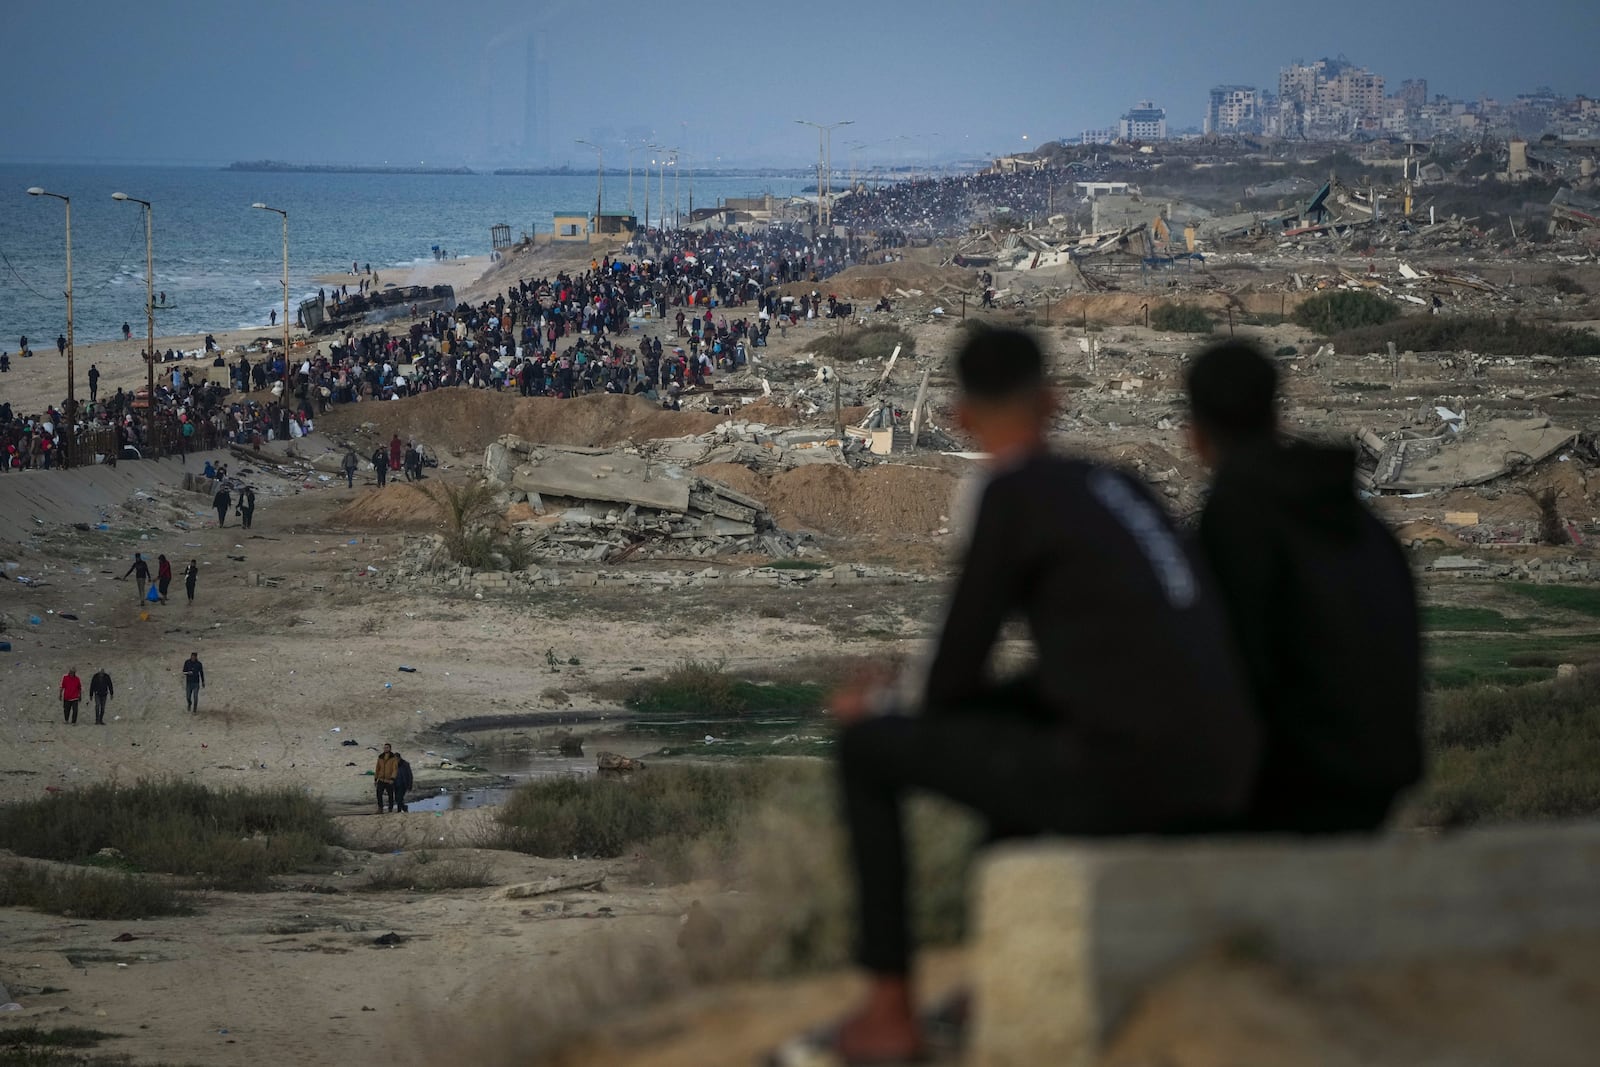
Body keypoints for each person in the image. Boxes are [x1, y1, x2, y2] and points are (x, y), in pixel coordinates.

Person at [827, 328, 1259, 1063]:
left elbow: (954, 675)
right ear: (1054, 401)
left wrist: (882, 704)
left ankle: (889, 1008)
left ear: (961, 418)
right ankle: (1002, 971)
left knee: (867, 750)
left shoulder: (1011, 493)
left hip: (1131, 777)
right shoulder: (1122, 485)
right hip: (1227, 767)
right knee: (1005, 740)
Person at [1186, 341, 1422, 833]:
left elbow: (1232, 667)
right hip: (1381, 774)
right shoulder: (1346, 508)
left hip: (1300, 786)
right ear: (1277, 414)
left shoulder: (1240, 513)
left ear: (1196, 435)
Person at [375, 744, 399, 813]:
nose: (385, 749)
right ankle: (380, 808)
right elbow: (377, 768)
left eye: (387, 748)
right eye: (384, 748)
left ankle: (390, 808)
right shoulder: (380, 757)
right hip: (381, 779)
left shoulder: (393, 758)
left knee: (390, 795)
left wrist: (393, 778)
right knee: (379, 794)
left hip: (389, 780)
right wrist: (375, 778)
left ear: (390, 748)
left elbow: (395, 769)